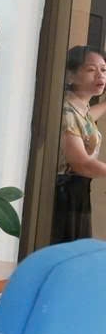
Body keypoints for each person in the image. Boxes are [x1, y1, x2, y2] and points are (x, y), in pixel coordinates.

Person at [53, 45, 106, 243]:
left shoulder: (80, 109)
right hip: (65, 196)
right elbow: (82, 164)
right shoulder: (67, 112)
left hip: (77, 193)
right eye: (91, 69)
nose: (100, 75)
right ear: (70, 76)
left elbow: (87, 121)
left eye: (104, 69)